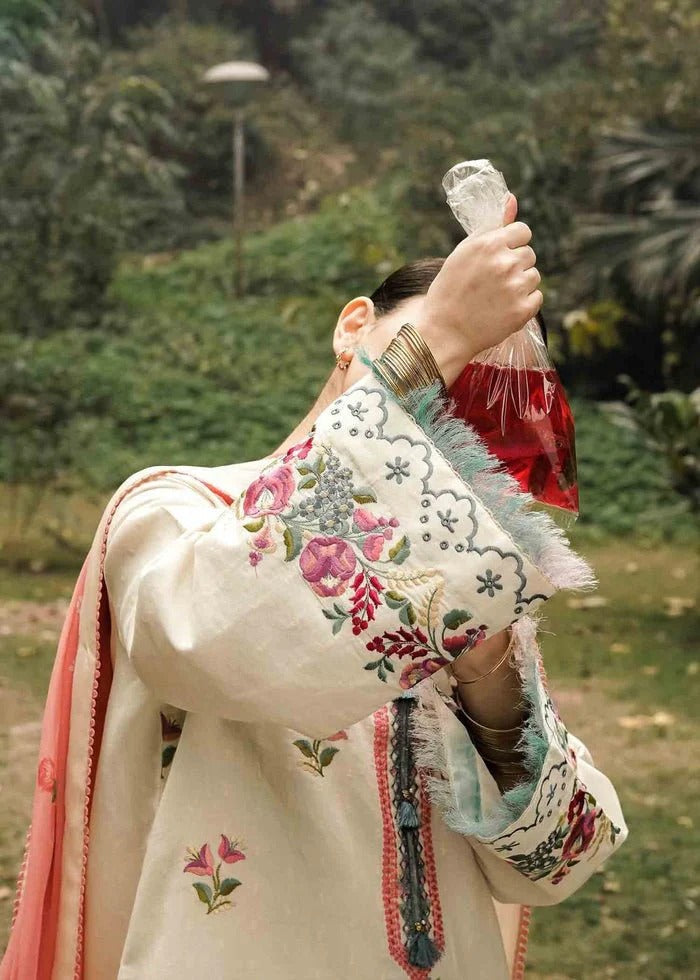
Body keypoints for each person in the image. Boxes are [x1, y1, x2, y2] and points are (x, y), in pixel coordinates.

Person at [1, 194, 627, 979]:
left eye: (480, 397)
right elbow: (203, 632)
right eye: (442, 348)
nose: (448, 401)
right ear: (352, 326)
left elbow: (562, 860)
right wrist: (437, 340)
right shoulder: (175, 512)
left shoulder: (471, 586)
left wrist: (491, 681)